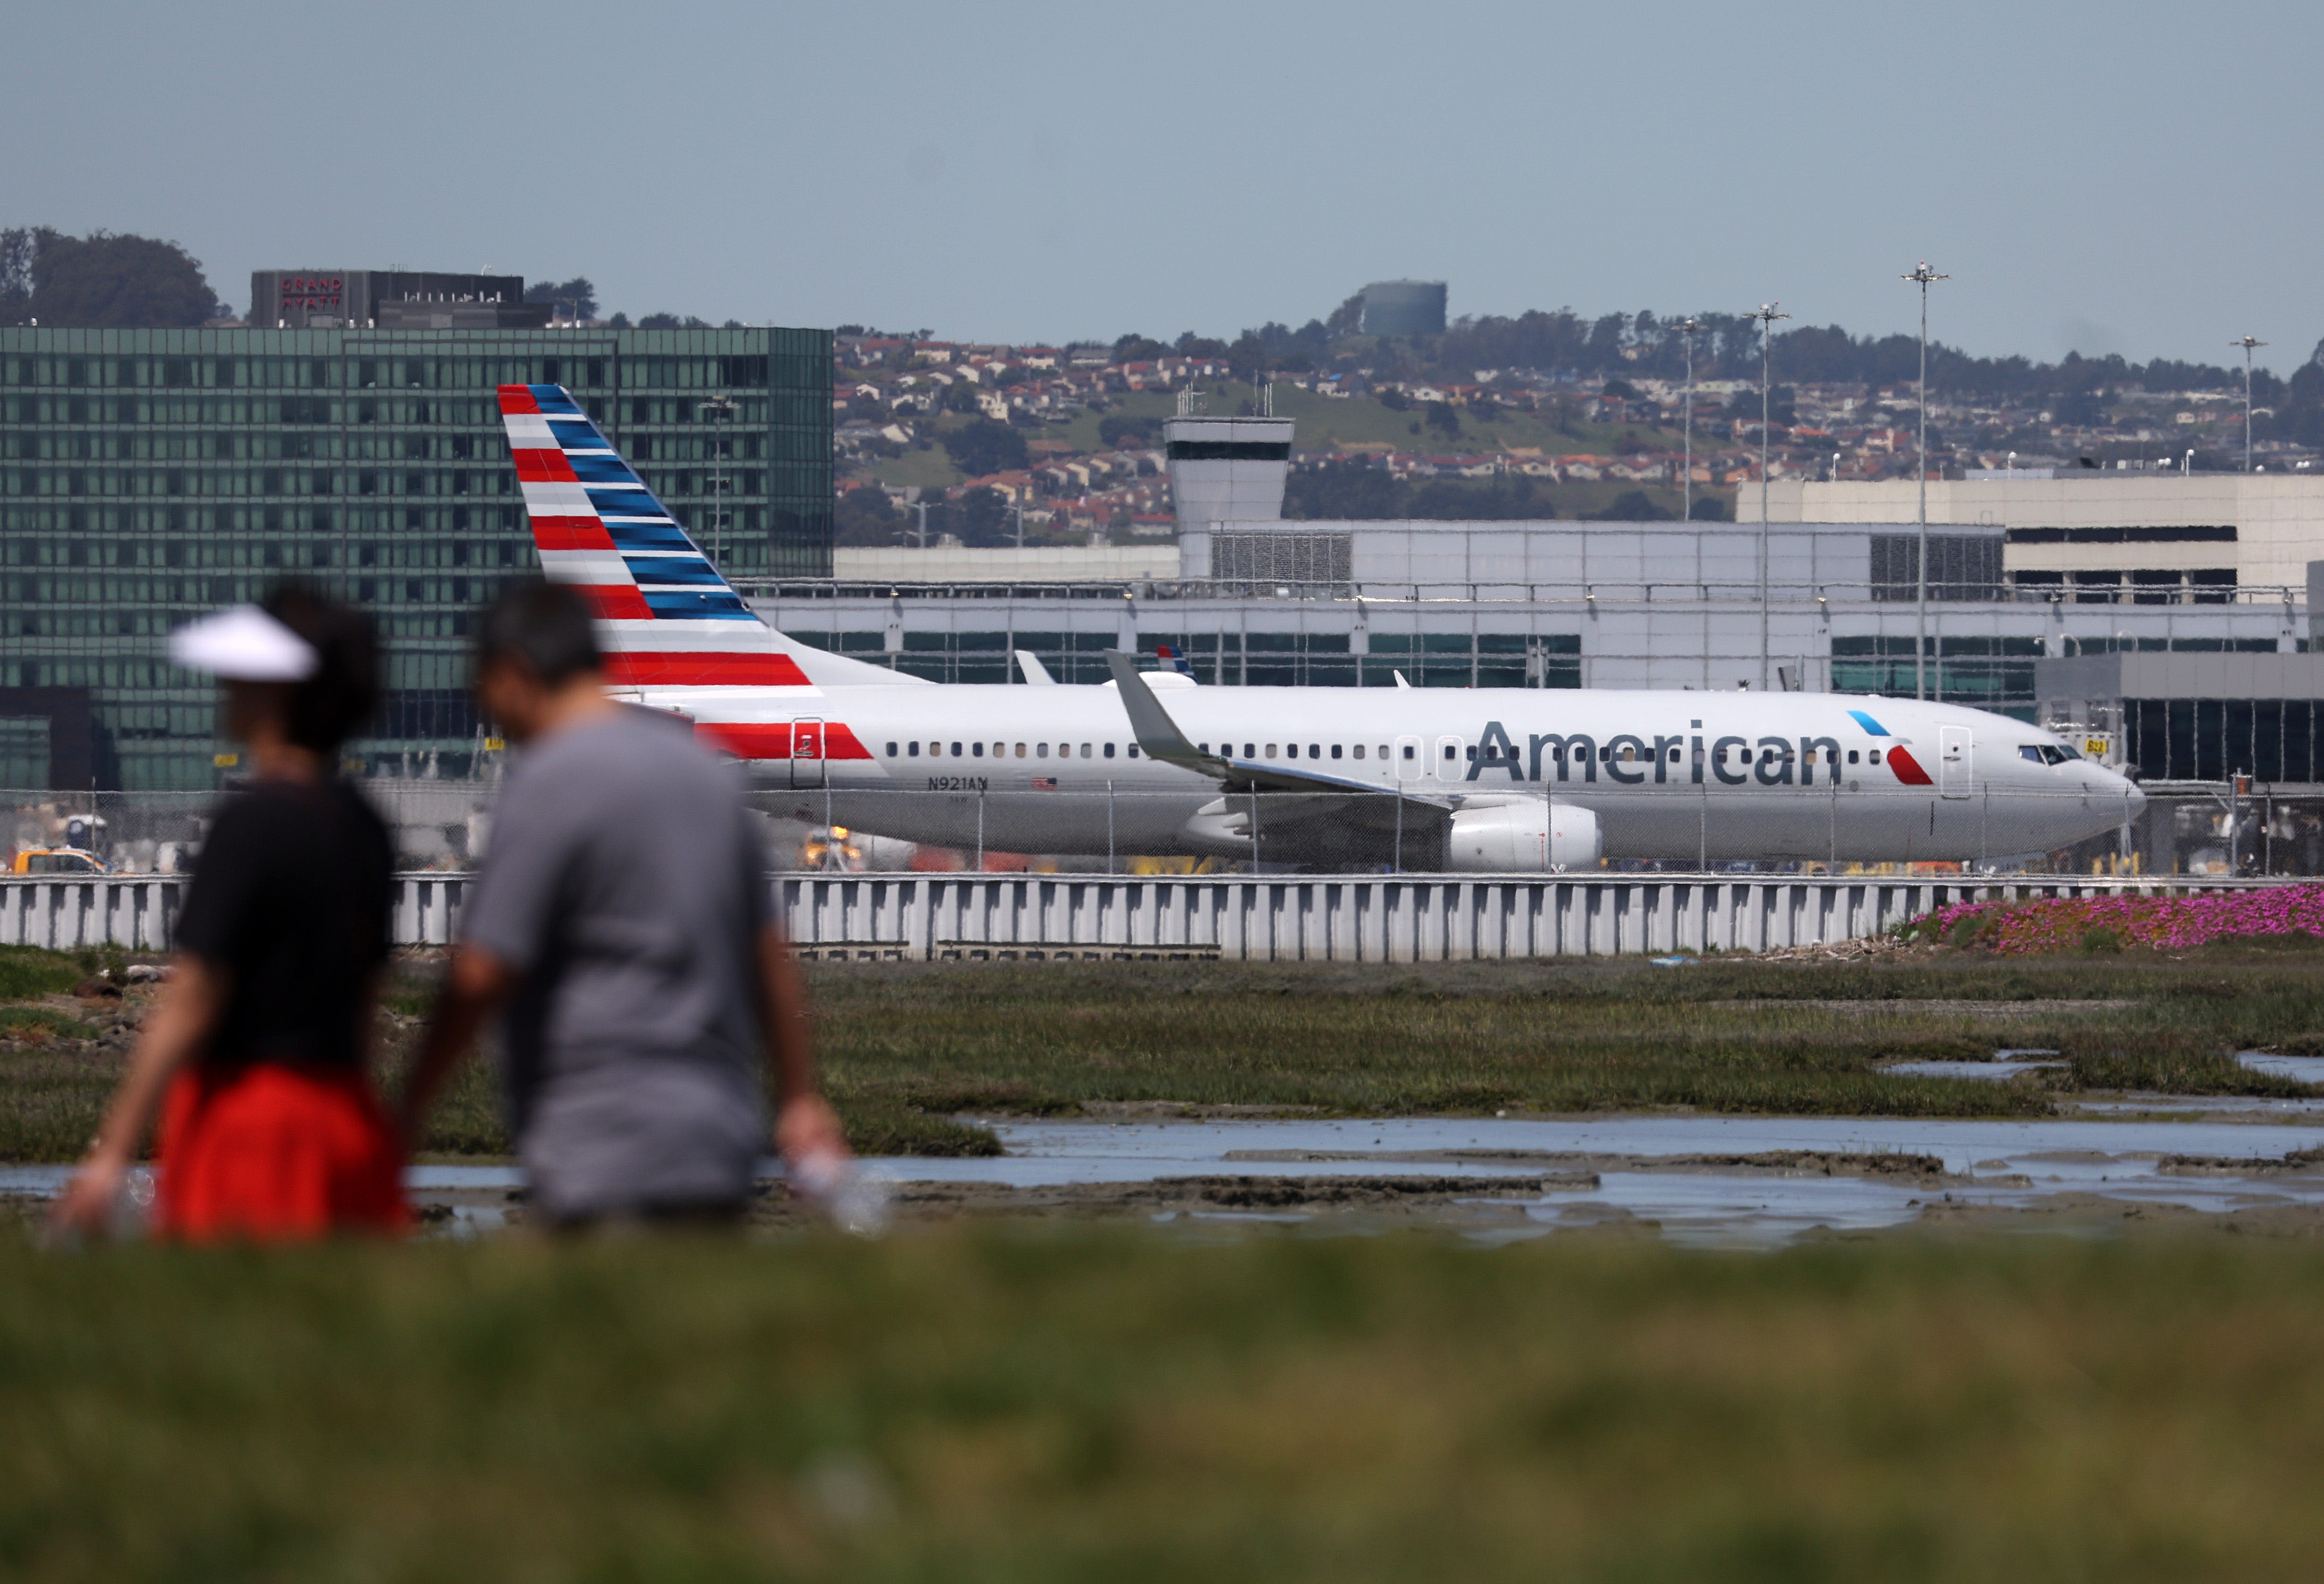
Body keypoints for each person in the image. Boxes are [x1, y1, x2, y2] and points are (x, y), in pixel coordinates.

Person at [397, 581, 846, 1227]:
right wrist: (799, 1096)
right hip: (715, 1135)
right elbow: (767, 956)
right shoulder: (700, 772)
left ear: (514, 674)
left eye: (482, 693)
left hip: (597, 1138)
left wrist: (410, 1105)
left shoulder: (551, 778)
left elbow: (482, 970)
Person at [54, 586, 402, 1241]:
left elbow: (195, 993)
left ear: (277, 692)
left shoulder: (250, 823)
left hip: (246, 1118)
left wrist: (112, 1153)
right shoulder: (363, 824)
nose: (225, 687)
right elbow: (366, 997)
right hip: (340, 1111)